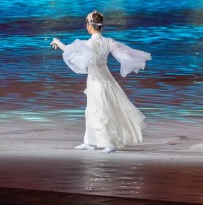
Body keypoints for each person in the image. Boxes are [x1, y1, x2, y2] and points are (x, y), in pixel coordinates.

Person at [49, 11, 151, 154]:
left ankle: (110, 142)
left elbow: (69, 51)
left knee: (101, 110)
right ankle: (90, 141)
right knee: (92, 109)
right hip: (104, 77)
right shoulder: (108, 42)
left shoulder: (88, 43)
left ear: (89, 26)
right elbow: (123, 54)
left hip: (97, 79)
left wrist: (57, 42)